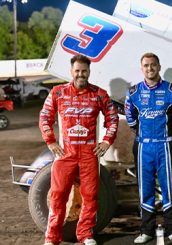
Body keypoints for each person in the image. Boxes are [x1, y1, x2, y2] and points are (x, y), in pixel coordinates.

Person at [39, 54, 119, 245]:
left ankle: (85, 235)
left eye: (84, 71)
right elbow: (45, 117)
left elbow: (113, 118)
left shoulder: (99, 94)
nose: (81, 74)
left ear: (89, 72)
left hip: (89, 154)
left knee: (90, 196)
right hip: (65, 153)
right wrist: (50, 141)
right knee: (58, 195)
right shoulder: (58, 92)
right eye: (77, 71)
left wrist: (107, 140)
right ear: (71, 71)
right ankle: (52, 238)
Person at [125, 53, 172, 244]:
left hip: (165, 146)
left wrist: (169, 134)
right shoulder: (133, 92)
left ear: (159, 67)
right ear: (141, 68)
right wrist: (143, 135)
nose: (150, 68)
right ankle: (146, 230)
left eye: (153, 65)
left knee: (169, 188)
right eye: (146, 65)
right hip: (144, 147)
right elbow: (130, 117)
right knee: (146, 189)